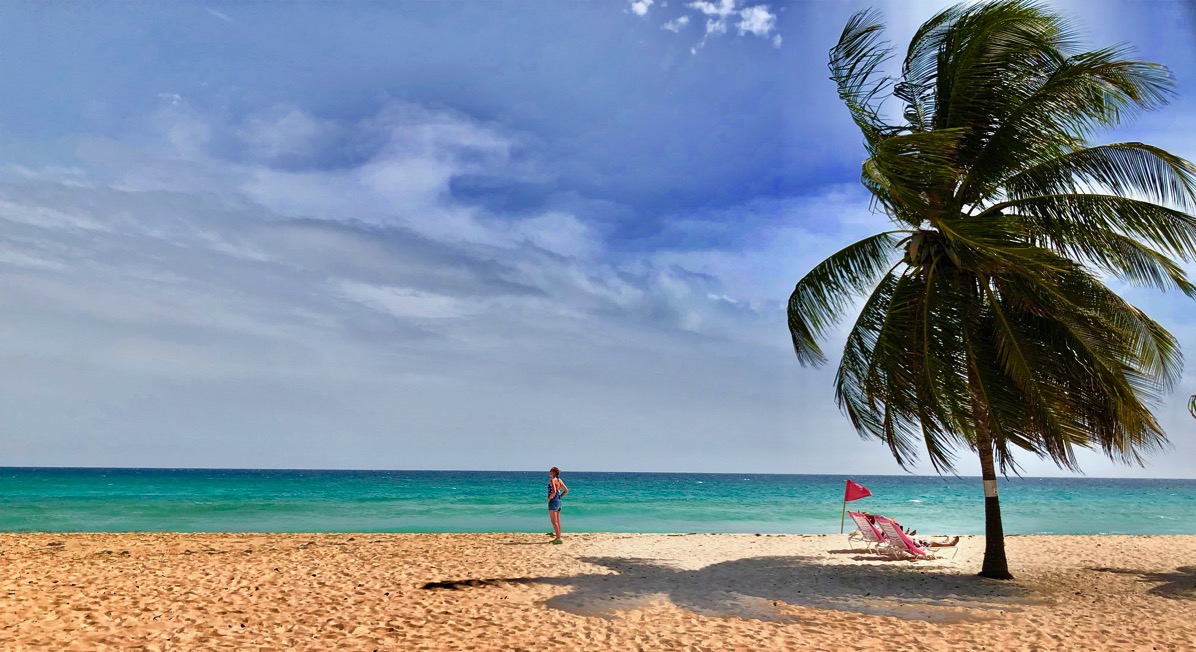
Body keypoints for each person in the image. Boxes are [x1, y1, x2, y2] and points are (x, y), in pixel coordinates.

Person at [547, 467, 568, 544]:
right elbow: (566, 490)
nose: (549, 472)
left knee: (553, 521)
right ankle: (558, 537)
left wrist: (549, 498)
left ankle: (558, 539)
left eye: (550, 471)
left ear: (553, 472)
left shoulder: (553, 480)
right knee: (558, 521)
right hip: (558, 501)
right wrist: (560, 496)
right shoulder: (560, 480)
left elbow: (554, 491)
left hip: (553, 501)